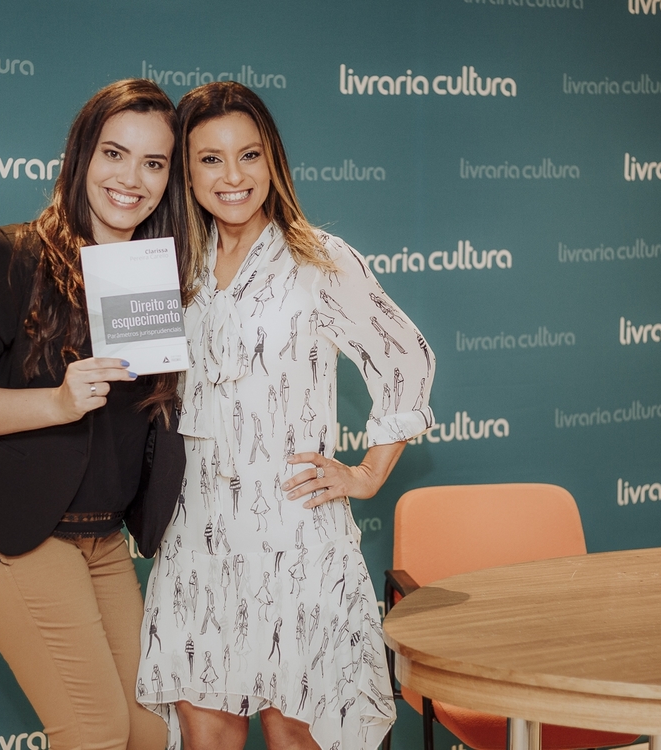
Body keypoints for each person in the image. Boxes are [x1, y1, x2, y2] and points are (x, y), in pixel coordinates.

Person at [137, 82, 436, 750]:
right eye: (210, 159)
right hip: (198, 541)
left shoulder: (317, 258)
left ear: (273, 160)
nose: (233, 176)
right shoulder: (171, 267)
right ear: (187, 171)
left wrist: (366, 475)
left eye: (249, 155)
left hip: (295, 540)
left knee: (300, 735)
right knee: (203, 733)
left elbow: (405, 359)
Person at [0, 79, 187, 750]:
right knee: (94, 733)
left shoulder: (158, 275)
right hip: (19, 536)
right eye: (114, 154)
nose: (132, 178)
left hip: (103, 541)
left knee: (153, 732)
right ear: (80, 157)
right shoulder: (17, 256)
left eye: (154, 163)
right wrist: (58, 402)